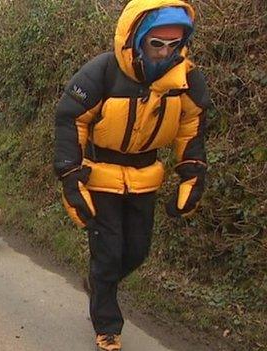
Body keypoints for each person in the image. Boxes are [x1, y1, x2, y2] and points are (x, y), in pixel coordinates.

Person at [53, 1, 209, 350]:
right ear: (137, 39)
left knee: (137, 251)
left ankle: (99, 284)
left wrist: (193, 173)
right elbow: (70, 119)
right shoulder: (102, 72)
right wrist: (70, 175)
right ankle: (107, 324)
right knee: (108, 254)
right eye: (157, 43)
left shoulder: (186, 79)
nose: (166, 53)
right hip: (102, 178)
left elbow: (192, 126)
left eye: (175, 44)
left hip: (145, 177)